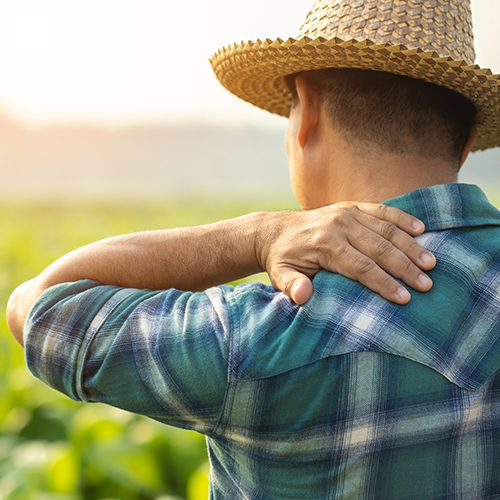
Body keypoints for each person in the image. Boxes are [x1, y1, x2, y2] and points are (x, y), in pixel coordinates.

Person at [7, 0, 500, 498]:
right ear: (466, 143)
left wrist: (258, 234)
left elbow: (40, 308)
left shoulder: (268, 334)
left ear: (306, 113)